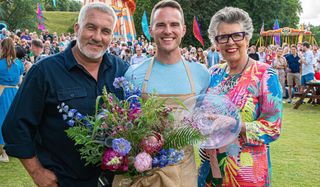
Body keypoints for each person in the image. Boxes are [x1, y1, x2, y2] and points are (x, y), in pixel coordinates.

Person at [2, 3, 128, 187]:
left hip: (115, 181)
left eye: (106, 31)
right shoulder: (44, 71)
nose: (97, 37)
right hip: (64, 181)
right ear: (77, 28)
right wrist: (37, 172)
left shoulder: (123, 71)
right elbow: (15, 126)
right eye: (91, 27)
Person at [119, 0, 210, 186]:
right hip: (145, 174)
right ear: (151, 30)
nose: (168, 31)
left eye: (174, 24)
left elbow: (205, 124)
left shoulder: (201, 74)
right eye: (161, 25)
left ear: (183, 29)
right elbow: (127, 124)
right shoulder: (133, 73)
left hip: (185, 173)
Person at [199, 7, 282, 187]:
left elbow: (273, 128)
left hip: (246, 174)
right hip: (209, 173)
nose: (230, 42)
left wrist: (236, 125)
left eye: (236, 35)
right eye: (223, 37)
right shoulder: (212, 73)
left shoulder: (264, 74)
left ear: (247, 38)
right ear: (216, 42)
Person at [0, 38, 24, 162]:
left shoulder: (0, 63)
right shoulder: (19, 63)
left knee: (2, 120)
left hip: (2, 92)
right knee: (12, 120)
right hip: (15, 92)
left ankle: (4, 154)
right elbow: (20, 81)